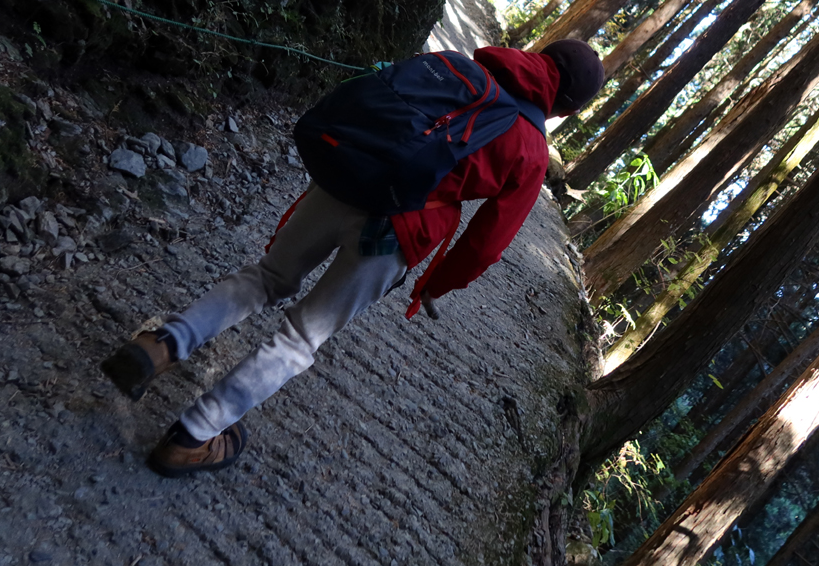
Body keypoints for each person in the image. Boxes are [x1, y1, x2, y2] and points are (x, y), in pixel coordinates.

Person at [100, 40, 604, 477]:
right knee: (301, 337)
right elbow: (487, 241)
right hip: (398, 231)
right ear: (565, 107)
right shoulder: (531, 151)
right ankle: (193, 437)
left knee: (267, 276)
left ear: (541, 58)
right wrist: (435, 285)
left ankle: (160, 344)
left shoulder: (459, 66)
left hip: (351, 178)